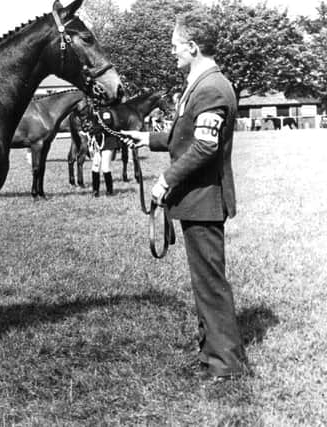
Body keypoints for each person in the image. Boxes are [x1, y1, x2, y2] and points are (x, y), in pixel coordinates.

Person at [121, 9, 250, 381]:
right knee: (205, 282)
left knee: (210, 285)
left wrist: (165, 181)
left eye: (176, 46)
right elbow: (189, 135)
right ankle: (212, 352)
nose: (172, 52)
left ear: (193, 47)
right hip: (198, 200)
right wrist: (149, 138)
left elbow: (205, 148)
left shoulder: (211, 88)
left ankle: (225, 365)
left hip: (204, 201)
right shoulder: (203, 83)